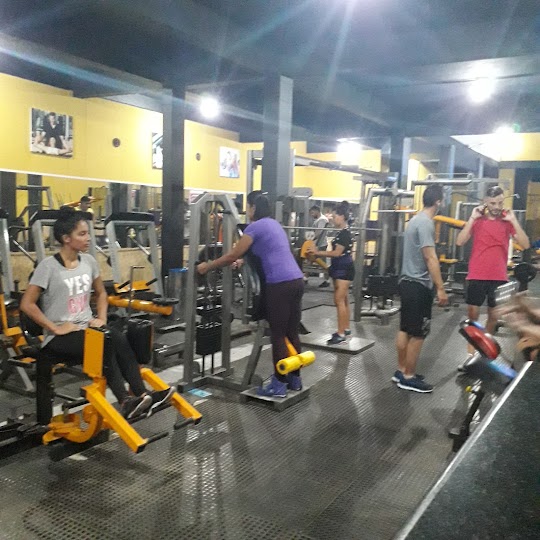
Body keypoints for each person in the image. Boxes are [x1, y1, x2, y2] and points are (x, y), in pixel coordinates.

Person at [20, 208, 174, 419]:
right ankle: (125, 401)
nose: (88, 238)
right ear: (66, 238)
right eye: (82, 234)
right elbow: (27, 304)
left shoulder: (89, 262)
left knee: (118, 336)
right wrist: (55, 328)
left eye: (88, 233)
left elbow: (101, 293)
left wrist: (101, 318)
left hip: (87, 328)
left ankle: (142, 395)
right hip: (59, 338)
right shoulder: (48, 267)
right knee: (105, 341)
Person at [197, 190, 304, 398]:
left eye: (248, 206)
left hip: (279, 284)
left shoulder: (254, 227)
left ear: (253, 207)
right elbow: (269, 250)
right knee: (291, 332)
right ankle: (294, 379)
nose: (247, 210)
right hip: (296, 280)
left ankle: (279, 385)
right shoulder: (274, 224)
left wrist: (207, 266)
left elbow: (232, 255)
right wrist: (242, 260)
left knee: (278, 334)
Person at [456, 185, 530, 370]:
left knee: (493, 316)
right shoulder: (478, 220)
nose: (497, 207)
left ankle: (484, 353)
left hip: (498, 276)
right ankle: (470, 354)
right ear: (485, 202)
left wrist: (514, 220)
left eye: (500, 203)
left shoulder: (507, 221)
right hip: (477, 273)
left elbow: (525, 244)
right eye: (493, 203)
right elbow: (460, 241)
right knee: (473, 316)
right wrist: (472, 218)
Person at [394, 185, 449, 393]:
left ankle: (401, 371)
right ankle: (408, 377)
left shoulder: (415, 220)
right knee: (418, 333)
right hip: (418, 285)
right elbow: (430, 257)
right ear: (438, 201)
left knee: (405, 329)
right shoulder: (426, 223)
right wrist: (440, 288)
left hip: (407, 282)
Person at [307, 202, 354, 344]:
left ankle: (341, 333)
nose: (333, 219)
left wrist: (317, 252)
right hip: (339, 268)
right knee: (343, 299)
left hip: (344, 269)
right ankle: (345, 328)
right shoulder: (341, 233)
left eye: (335, 216)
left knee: (339, 300)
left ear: (342, 216)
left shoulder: (344, 234)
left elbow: (337, 253)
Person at [308, 205, 330, 287]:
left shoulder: (322, 220)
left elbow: (319, 232)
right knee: (310, 259)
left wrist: (311, 239)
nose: (312, 215)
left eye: (312, 213)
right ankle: (305, 277)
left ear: (317, 211)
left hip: (320, 244)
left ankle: (327, 280)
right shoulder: (319, 220)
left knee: (322, 263)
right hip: (317, 243)